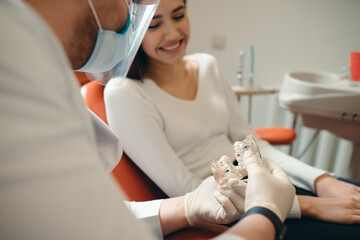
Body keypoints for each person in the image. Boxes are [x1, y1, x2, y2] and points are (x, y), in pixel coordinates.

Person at [0, 0, 296, 239]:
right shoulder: (14, 76)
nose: (130, 20)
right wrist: (265, 214)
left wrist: (187, 207)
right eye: (142, 15)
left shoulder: (41, 67)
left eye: (178, 15)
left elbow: (91, 214)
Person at [104, 0, 360, 238]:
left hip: (263, 182)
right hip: (229, 206)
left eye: (179, 15)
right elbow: (191, 194)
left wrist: (322, 181)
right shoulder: (125, 93)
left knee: (349, 190)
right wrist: (310, 205)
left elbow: (253, 146)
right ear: (133, 30)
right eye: (154, 24)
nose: (172, 33)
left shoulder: (207, 65)